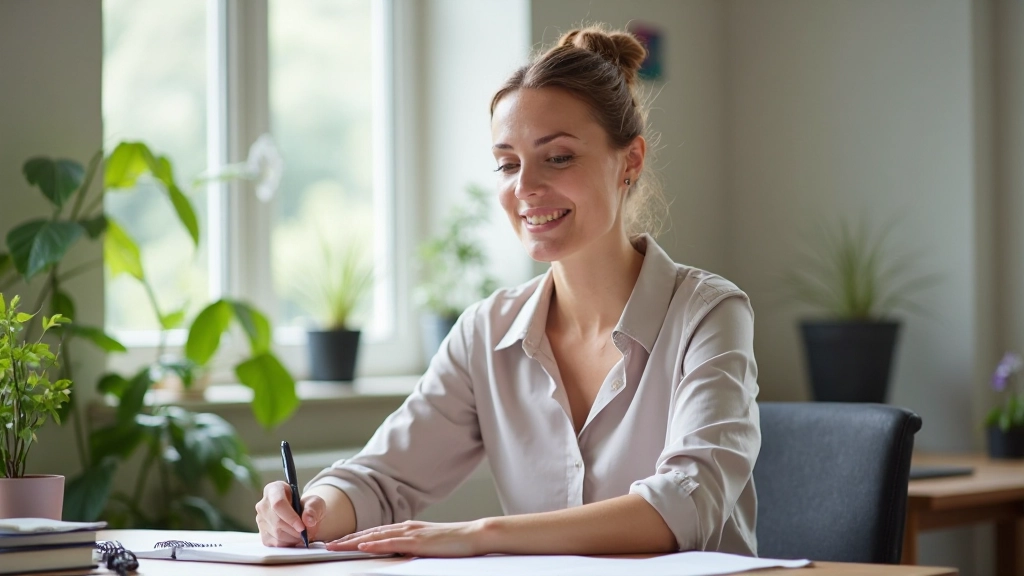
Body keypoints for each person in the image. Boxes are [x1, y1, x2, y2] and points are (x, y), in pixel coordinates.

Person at [255, 25, 760, 558]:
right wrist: (311, 509)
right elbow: (382, 478)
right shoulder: (486, 332)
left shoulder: (709, 315)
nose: (524, 187)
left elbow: (685, 503)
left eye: (558, 157)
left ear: (629, 162)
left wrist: (481, 535)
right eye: (507, 163)